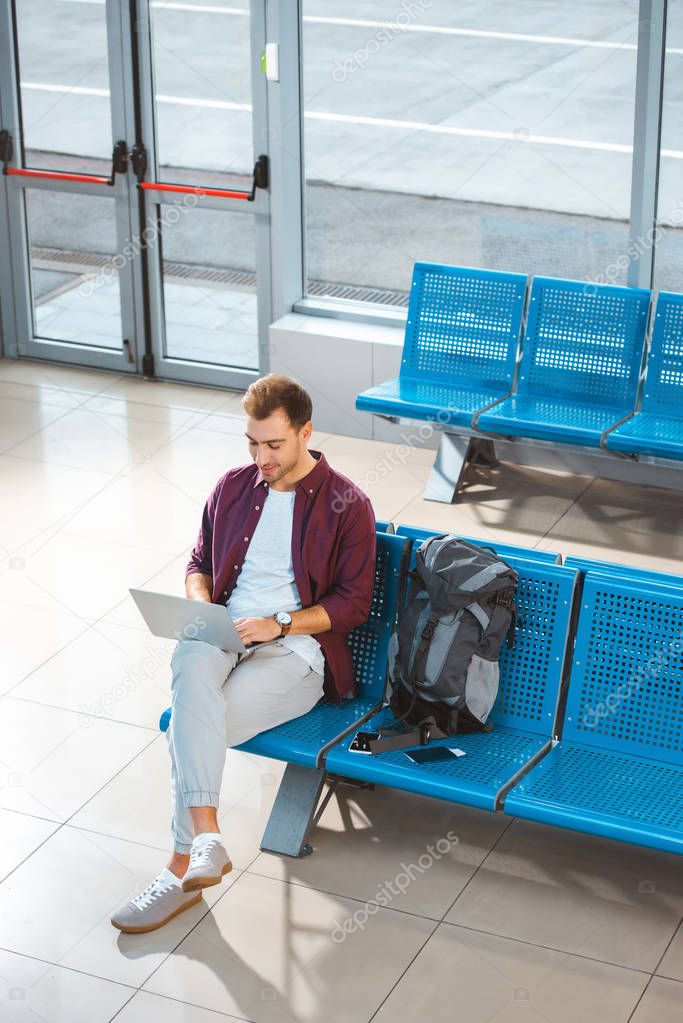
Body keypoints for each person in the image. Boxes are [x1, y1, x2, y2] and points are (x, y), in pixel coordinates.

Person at [111, 373, 376, 933]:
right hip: (225, 630)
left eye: (274, 444)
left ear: (306, 432)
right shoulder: (232, 486)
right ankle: (207, 839)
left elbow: (352, 604)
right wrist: (203, 607)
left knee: (192, 724)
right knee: (190, 657)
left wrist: (278, 624)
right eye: (252, 443)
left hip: (297, 652)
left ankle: (181, 866)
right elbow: (198, 565)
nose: (261, 457)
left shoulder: (348, 504)